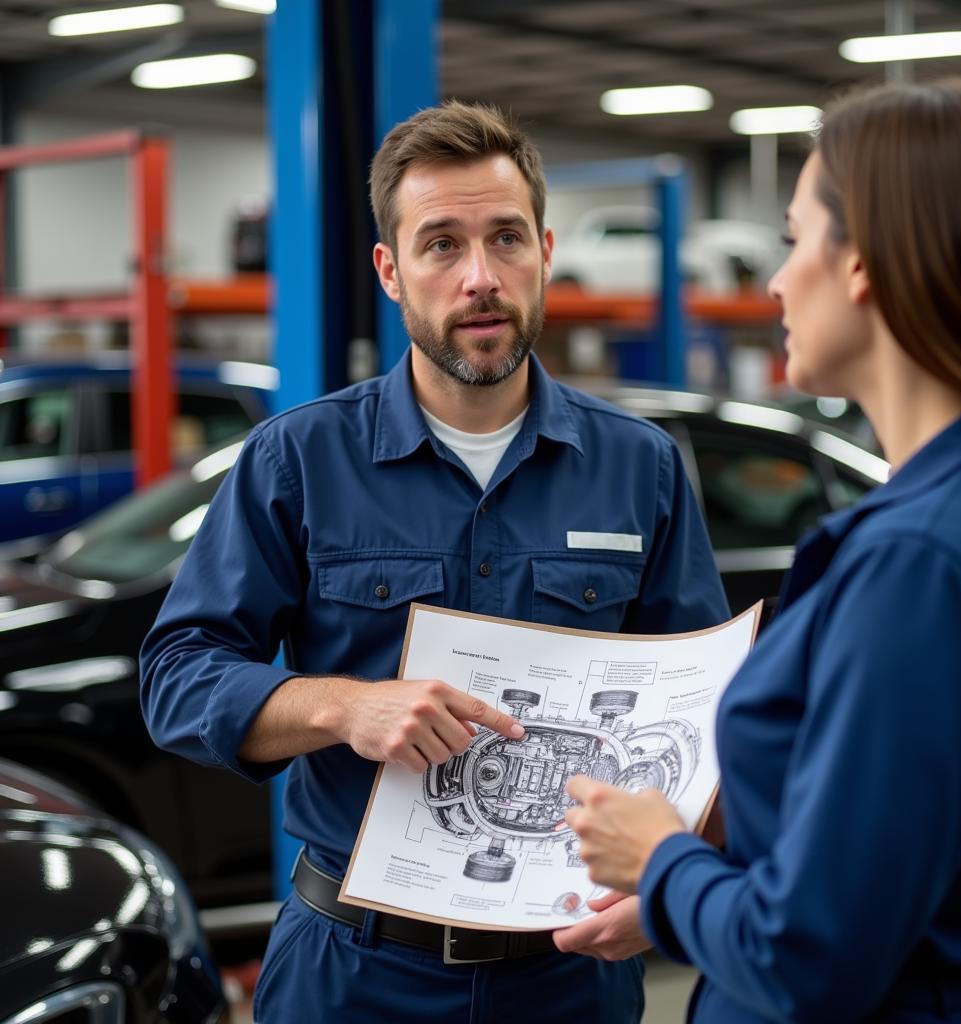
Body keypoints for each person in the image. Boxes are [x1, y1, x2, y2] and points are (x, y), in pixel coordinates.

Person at [139, 100, 729, 1023]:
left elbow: (704, 714)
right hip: (353, 973)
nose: (480, 278)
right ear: (391, 269)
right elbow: (176, 679)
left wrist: (667, 885)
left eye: (504, 239)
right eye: (441, 245)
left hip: (568, 976)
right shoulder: (297, 461)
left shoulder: (640, 465)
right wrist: (345, 706)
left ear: (543, 248)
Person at [563, 76, 961, 1023]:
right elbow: (888, 869)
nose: (774, 280)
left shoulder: (919, 564)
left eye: (792, 240)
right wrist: (692, 895)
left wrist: (662, 858)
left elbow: (807, 957)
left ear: (865, 264)